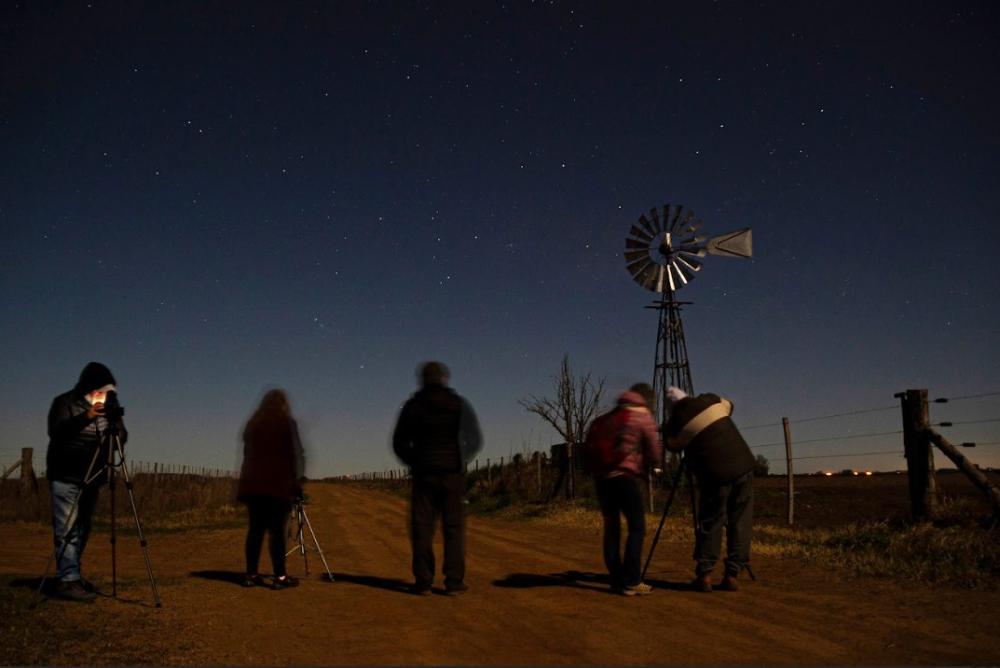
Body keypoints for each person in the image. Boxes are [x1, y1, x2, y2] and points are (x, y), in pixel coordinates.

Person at [392, 361, 482, 595]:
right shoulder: (458, 404)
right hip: (452, 475)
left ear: (422, 379)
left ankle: (424, 581)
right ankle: (454, 581)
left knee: (422, 528)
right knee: (454, 529)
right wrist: (461, 459)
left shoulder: (413, 406)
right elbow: (474, 439)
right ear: (444, 378)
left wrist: (414, 460)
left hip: (424, 476)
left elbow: (399, 442)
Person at [46, 361, 126, 602]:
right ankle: (67, 579)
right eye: (101, 389)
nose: (104, 394)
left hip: (93, 476)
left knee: (83, 527)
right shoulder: (64, 402)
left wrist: (115, 426)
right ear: (89, 387)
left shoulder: (110, 406)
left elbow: (122, 436)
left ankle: (72, 574)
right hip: (66, 475)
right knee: (67, 529)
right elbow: (57, 432)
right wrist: (87, 416)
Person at [663, 386, 755, 593]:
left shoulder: (677, 424)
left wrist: (669, 425)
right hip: (743, 466)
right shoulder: (710, 400)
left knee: (712, 521)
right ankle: (732, 574)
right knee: (740, 522)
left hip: (715, 474)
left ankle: (705, 574)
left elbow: (672, 445)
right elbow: (730, 406)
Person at [592, 383, 662, 596]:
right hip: (623, 477)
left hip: (602, 479)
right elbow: (653, 446)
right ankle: (632, 580)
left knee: (612, 528)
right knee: (637, 527)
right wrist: (656, 465)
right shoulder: (641, 415)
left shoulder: (612, 415)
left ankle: (616, 579)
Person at [237, 389, 305, 590]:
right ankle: (280, 577)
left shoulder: (254, 424)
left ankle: (251, 575)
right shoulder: (286, 423)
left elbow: (247, 454)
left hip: (254, 486)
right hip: (278, 486)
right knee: (277, 532)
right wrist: (296, 481)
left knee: (255, 531)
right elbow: (295, 454)